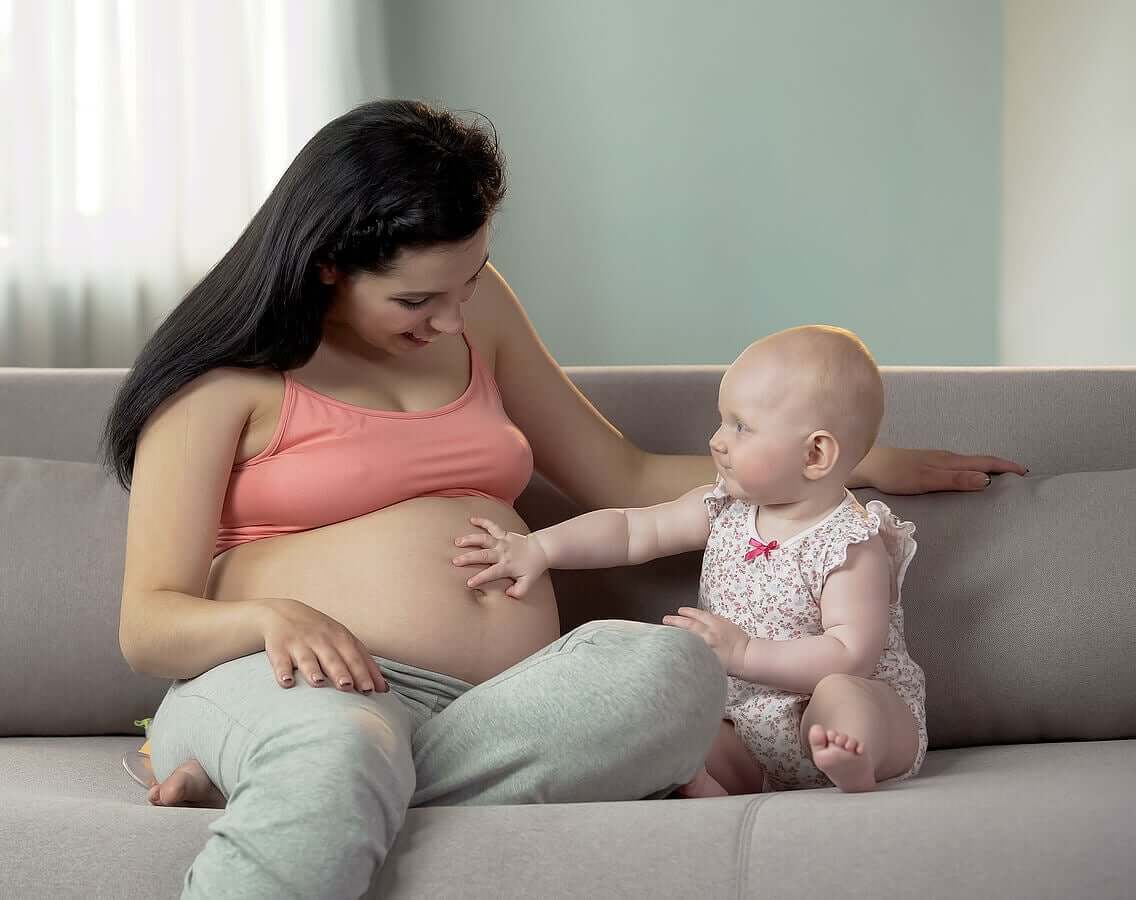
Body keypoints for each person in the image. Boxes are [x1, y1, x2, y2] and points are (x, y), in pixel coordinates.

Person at [102, 99, 1023, 900]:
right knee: (341, 745)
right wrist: (271, 617)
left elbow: (620, 478)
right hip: (296, 686)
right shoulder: (220, 384)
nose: (455, 320)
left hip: (496, 706)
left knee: (675, 674)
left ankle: (294, 787)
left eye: (470, 282)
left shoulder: (478, 309)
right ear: (330, 265)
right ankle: (306, 769)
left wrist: (850, 466)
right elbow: (150, 624)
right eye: (420, 300)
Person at [454, 325, 926, 796]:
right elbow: (631, 529)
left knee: (845, 696)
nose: (717, 441)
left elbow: (851, 652)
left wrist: (745, 654)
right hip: (742, 719)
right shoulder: (724, 509)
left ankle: (851, 759)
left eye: (741, 426)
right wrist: (541, 548)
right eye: (722, 421)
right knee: (681, 730)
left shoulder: (848, 542)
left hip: (829, 705)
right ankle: (697, 778)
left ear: (816, 453)